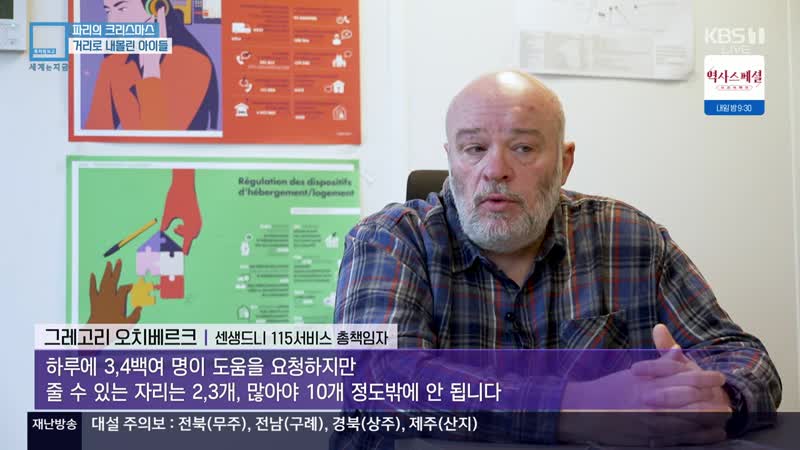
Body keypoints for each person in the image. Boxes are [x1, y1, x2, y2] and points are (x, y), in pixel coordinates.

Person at [334, 71, 781, 446]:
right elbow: (376, 378)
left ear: (564, 163)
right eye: (474, 148)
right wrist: (580, 407)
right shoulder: (390, 239)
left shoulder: (629, 237)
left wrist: (714, 398)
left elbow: (740, 355)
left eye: (524, 148)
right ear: (451, 159)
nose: (495, 170)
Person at [85, 0, 219, 130]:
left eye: (122, 9)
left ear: (154, 8)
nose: (112, 22)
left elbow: (159, 138)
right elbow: (95, 131)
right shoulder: (114, 61)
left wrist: (151, 69)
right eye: (108, 12)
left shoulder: (193, 63)